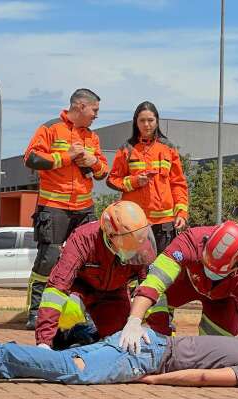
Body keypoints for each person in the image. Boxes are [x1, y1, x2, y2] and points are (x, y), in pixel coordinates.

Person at [117, 220, 238, 386]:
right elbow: (154, 281)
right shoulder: (190, 240)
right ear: (206, 243)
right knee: (157, 304)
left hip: (225, 299)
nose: (210, 273)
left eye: (215, 271)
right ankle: (160, 349)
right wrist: (134, 320)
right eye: (207, 265)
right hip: (185, 284)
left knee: (213, 351)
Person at [24, 88, 109, 330]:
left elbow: (103, 172)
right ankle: (35, 313)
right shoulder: (50, 128)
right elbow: (30, 158)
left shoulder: (92, 137)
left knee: (89, 262)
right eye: (95, 110)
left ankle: (84, 313)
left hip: (84, 208)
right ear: (81, 106)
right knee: (48, 259)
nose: (96, 115)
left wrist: (94, 163)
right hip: (53, 206)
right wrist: (66, 156)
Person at [0, 329, 238, 388]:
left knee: (70, 359)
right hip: (149, 357)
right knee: (75, 371)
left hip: (145, 340)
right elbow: (202, 377)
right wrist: (155, 379)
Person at [34, 201, 158, 349]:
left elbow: (150, 288)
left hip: (114, 293)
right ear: (110, 235)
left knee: (119, 341)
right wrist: (44, 342)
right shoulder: (83, 239)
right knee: (68, 310)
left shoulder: (140, 243)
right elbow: (56, 288)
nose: (134, 249)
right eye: (127, 244)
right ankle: (63, 336)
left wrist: (160, 330)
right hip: (79, 290)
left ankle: (90, 334)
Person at [106, 101, 189, 253]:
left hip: (165, 224)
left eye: (150, 120)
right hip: (134, 222)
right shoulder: (127, 149)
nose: (146, 124)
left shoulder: (168, 148)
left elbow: (178, 184)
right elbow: (112, 180)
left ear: (157, 121)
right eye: (142, 120)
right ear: (135, 122)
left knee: (161, 269)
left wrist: (181, 213)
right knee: (136, 269)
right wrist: (135, 181)